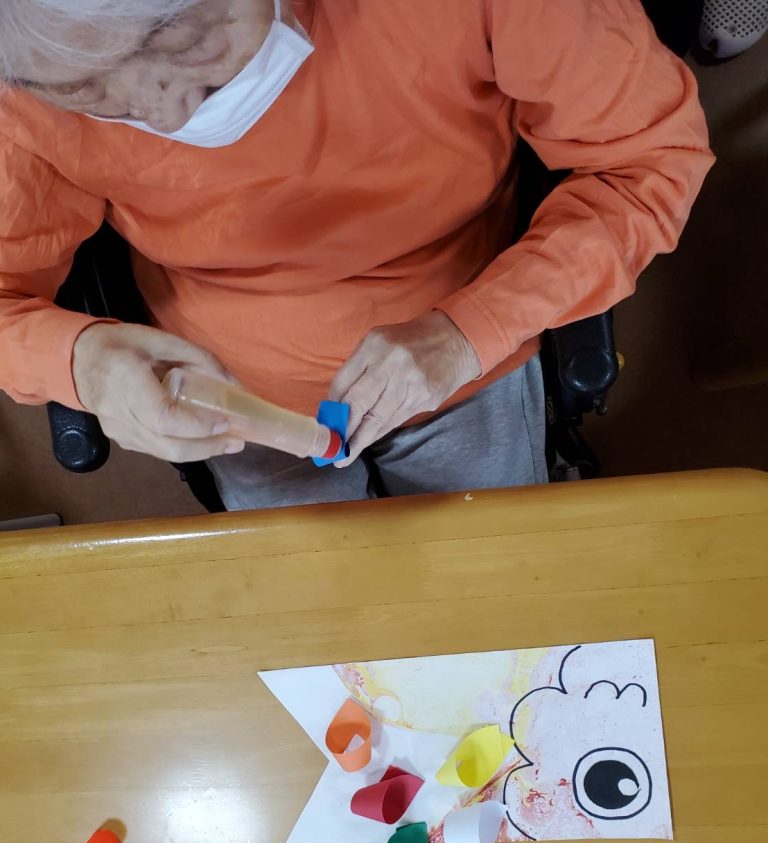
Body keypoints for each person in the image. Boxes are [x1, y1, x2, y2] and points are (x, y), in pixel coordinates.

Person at [0, 0, 713, 510]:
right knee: (316, 613)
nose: (167, 116)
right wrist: (84, 364)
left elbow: (648, 165)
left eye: (186, 41)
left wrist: (473, 330)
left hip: (467, 343)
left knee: (488, 570)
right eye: (81, 87)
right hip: (226, 399)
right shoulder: (17, 83)